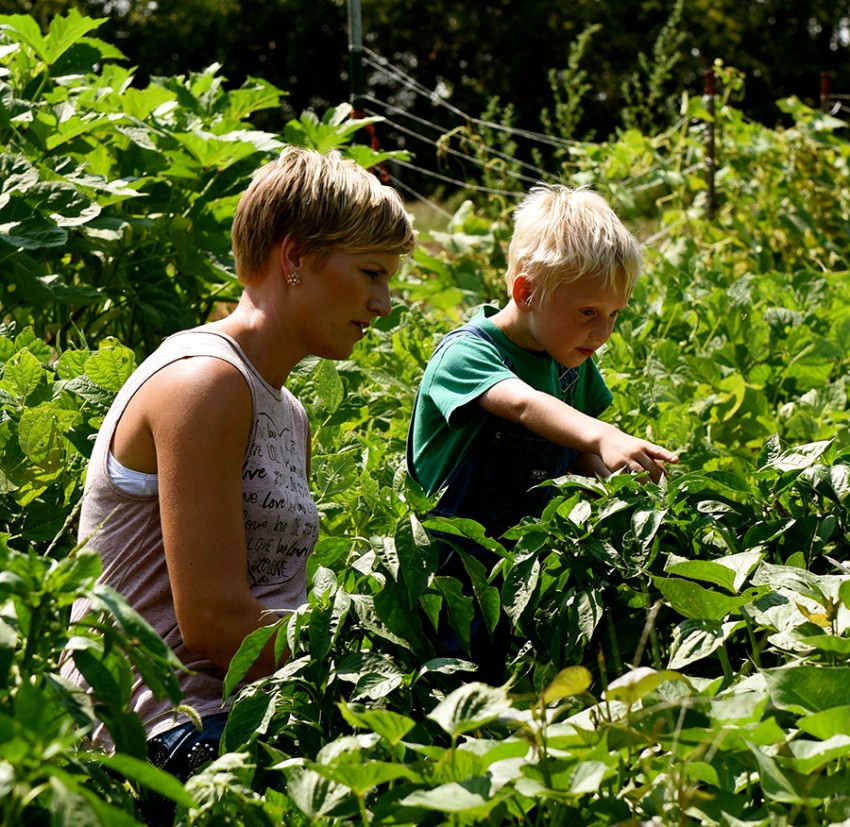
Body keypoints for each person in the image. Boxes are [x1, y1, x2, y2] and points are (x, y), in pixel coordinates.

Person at [61, 146, 416, 785]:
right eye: (370, 274)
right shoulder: (205, 382)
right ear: (296, 258)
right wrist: (369, 661)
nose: (384, 303)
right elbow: (215, 623)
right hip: (167, 731)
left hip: (253, 707)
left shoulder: (286, 409)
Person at [407, 184, 678, 679]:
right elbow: (525, 406)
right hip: (451, 565)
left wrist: (617, 481)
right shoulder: (467, 354)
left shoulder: (570, 363)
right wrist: (603, 435)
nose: (603, 334)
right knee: (453, 670)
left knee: (518, 666)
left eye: (614, 314)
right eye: (588, 313)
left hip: (521, 555)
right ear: (526, 292)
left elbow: (570, 453)